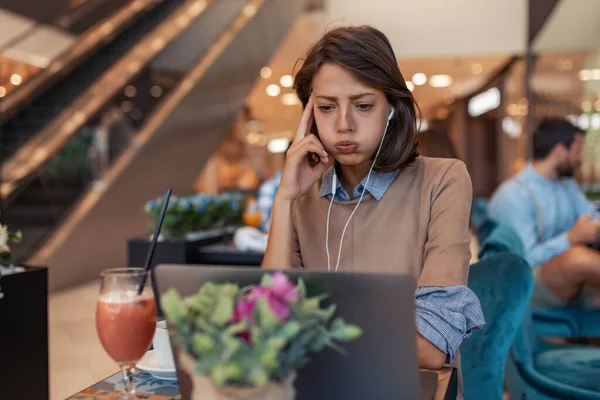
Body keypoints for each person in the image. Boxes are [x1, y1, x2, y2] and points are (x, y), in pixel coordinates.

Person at [262, 26, 485, 371]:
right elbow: (269, 326)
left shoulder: (443, 180)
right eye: (326, 107)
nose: (343, 124)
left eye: (363, 105)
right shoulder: (301, 196)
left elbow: (429, 348)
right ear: (309, 116)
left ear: (392, 108)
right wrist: (284, 198)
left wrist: (302, 334)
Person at [488, 118, 600, 309]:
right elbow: (526, 258)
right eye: (577, 151)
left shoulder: (566, 184)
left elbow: (591, 216)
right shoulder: (514, 195)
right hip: (524, 281)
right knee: (577, 258)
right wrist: (571, 238)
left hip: (565, 277)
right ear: (559, 152)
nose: (580, 158)